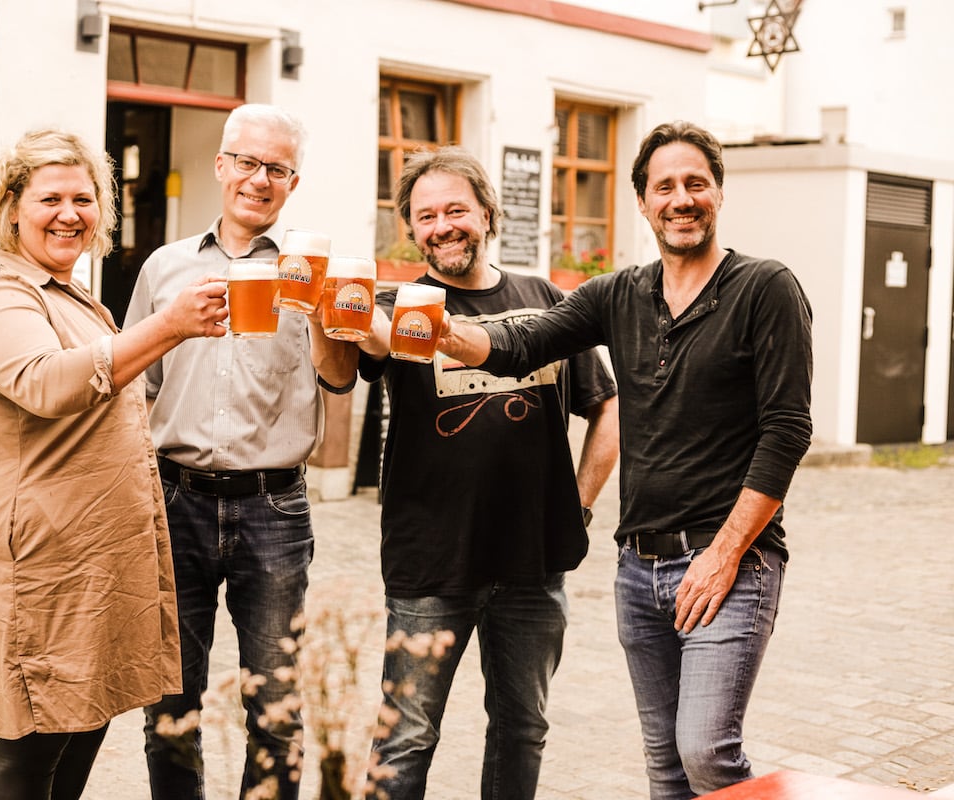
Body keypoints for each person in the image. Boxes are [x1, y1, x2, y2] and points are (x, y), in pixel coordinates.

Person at [437, 121, 813, 799]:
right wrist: (439, 332)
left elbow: (786, 431)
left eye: (695, 183)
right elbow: (523, 344)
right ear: (642, 202)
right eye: (664, 187)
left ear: (719, 191)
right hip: (638, 570)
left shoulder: (765, 288)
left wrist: (725, 553)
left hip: (729, 563)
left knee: (706, 752)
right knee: (665, 765)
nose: (681, 199)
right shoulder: (617, 295)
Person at [0, 129, 230, 799]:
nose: (69, 214)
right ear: (12, 208)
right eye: (50, 199)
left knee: (80, 723)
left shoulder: (70, 293)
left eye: (84, 199)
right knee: (30, 747)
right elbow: (46, 384)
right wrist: (169, 325)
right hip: (27, 562)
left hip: (83, 555)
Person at [355, 146, 620, 799]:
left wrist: (580, 504)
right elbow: (346, 363)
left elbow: (607, 406)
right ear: (411, 229)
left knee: (522, 730)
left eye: (456, 210)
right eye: (426, 216)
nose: (442, 226)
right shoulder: (397, 306)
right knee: (405, 738)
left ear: (487, 213)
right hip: (430, 564)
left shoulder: (544, 299)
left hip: (533, 566)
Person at [123, 104, 358, 800]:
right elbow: (136, 386)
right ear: (222, 166)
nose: (260, 179)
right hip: (176, 501)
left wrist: (322, 312)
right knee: (169, 707)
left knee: (277, 711)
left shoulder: (307, 270)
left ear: (293, 182)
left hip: (273, 508)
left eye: (277, 169)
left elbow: (339, 379)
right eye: (248, 162)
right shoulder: (164, 267)